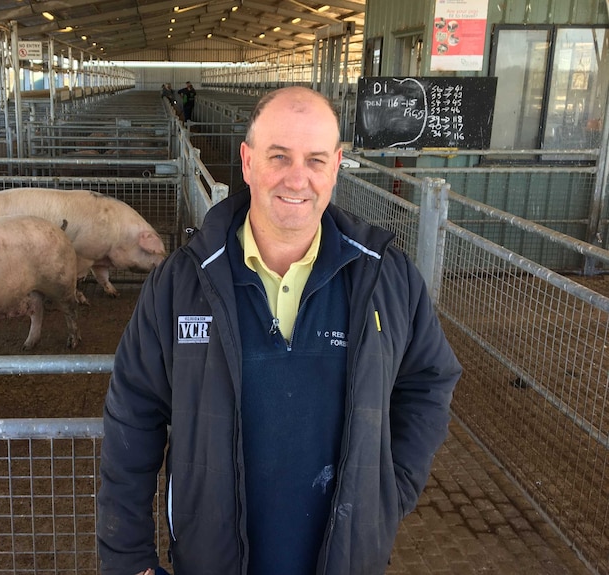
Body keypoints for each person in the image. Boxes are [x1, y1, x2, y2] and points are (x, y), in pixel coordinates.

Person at [96, 86, 462, 575]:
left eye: (315, 160)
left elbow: (428, 382)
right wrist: (127, 557)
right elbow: (133, 414)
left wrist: (388, 491)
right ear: (247, 163)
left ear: (336, 166)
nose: (298, 178)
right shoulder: (182, 283)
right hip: (213, 560)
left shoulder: (386, 279)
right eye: (279, 156)